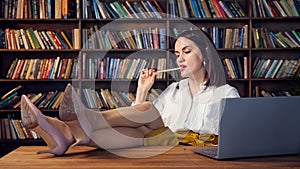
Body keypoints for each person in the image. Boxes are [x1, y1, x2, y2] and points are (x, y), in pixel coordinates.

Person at [20, 30, 240, 156]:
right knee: (141, 120)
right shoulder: (174, 91)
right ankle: (71, 132)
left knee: (140, 124)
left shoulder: (225, 93)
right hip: (161, 141)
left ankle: (70, 129)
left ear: (205, 54)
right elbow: (141, 119)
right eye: (176, 53)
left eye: (187, 52)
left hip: (188, 150)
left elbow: (235, 140)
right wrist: (142, 91)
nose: (179, 58)